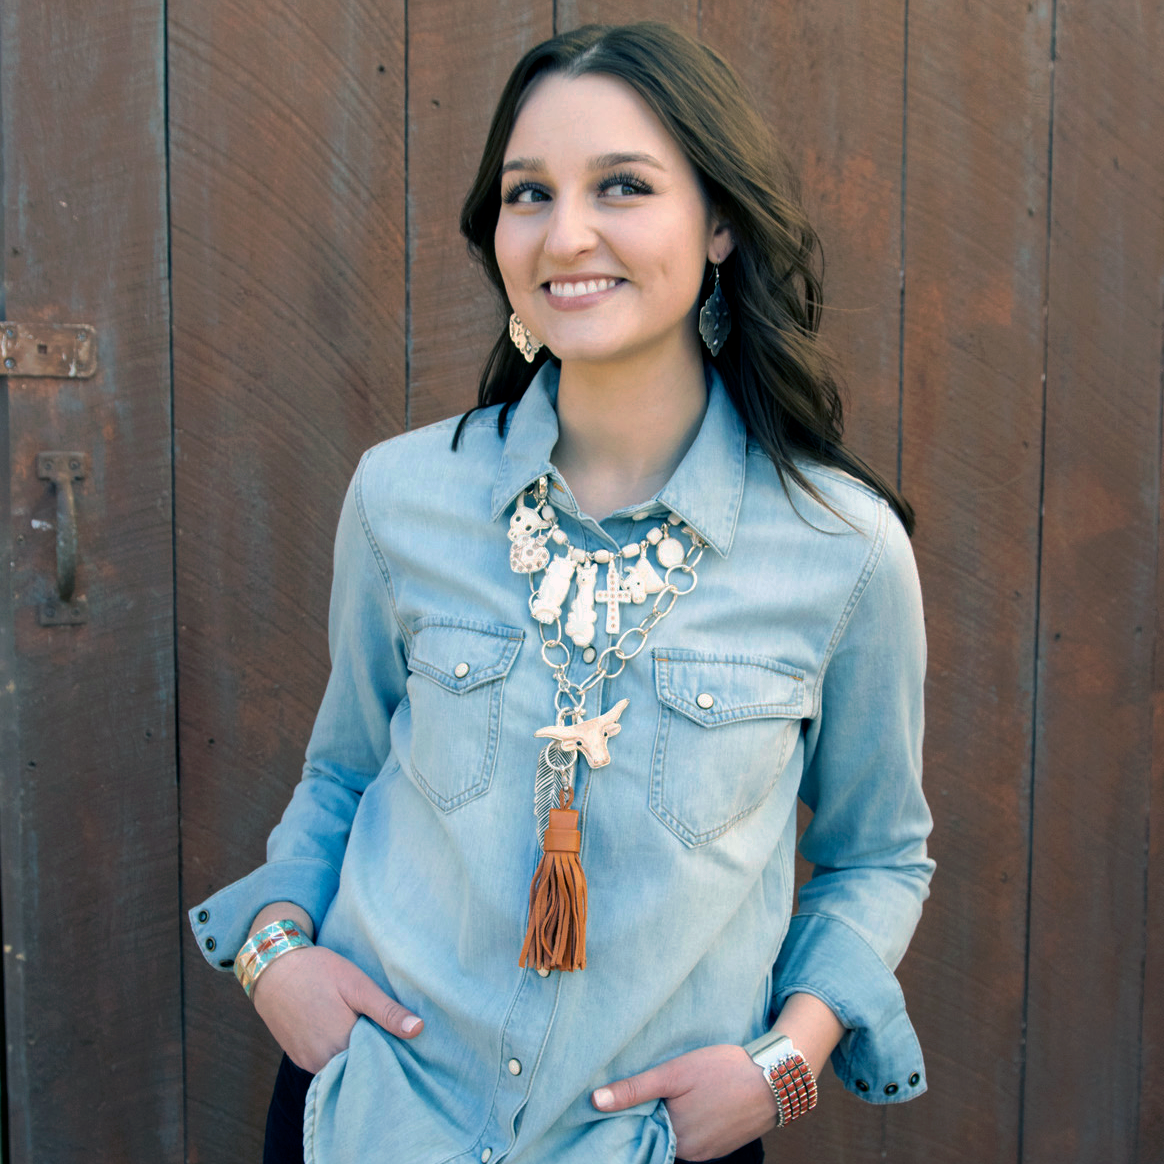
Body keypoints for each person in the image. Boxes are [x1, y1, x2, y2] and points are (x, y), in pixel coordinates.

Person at [190, 22, 934, 1164]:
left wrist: (784, 1067)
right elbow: (343, 769)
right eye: (527, 192)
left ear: (720, 223)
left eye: (624, 185)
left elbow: (880, 855)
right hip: (372, 1119)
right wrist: (272, 956)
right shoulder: (402, 497)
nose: (566, 233)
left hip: (646, 1144)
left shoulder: (845, 550)